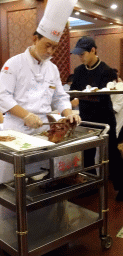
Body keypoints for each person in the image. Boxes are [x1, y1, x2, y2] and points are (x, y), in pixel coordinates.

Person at [0, 0, 79, 221]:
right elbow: (2, 97)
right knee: (12, 187)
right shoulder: (13, 64)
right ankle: (9, 231)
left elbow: (60, 97)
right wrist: (26, 115)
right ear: (35, 39)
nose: (50, 51)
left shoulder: (52, 69)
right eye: (47, 45)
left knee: (41, 184)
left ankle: (43, 228)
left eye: (54, 47)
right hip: (16, 133)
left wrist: (68, 112)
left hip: (43, 134)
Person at [70, 36, 123, 201]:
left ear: (93, 50)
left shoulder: (106, 71)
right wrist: (73, 100)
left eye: (83, 53)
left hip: (104, 118)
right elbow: (73, 92)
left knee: (112, 152)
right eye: (78, 54)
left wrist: (81, 97)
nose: (80, 57)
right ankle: (89, 184)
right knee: (87, 152)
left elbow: (101, 97)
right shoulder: (79, 71)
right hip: (86, 117)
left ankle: (121, 186)